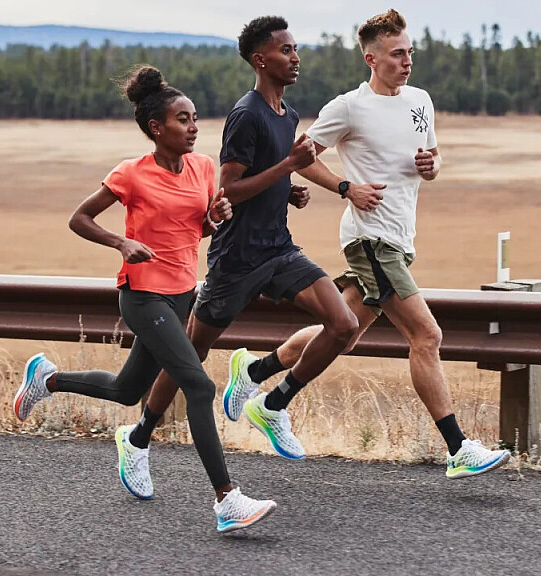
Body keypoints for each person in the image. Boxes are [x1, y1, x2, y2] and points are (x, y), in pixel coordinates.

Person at [224, 9, 511, 479]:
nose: (407, 61)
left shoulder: (420, 100)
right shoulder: (349, 107)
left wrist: (432, 167)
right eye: (397, 54)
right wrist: (345, 187)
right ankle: (458, 448)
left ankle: (255, 375)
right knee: (427, 336)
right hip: (370, 239)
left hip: (399, 237)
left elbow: (433, 157)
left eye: (410, 52)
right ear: (371, 59)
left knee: (346, 330)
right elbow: (300, 157)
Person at [11, 66, 276, 533]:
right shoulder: (132, 173)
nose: (193, 127)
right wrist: (121, 243)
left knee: (127, 390)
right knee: (199, 386)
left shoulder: (203, 167)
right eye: (182, 120)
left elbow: (195, 228)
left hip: (181, 294)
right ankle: (226, 499)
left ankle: (47, 379)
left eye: (194, 119)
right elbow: (79, 218)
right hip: (142, 295)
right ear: (157, 128)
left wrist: (216, 217)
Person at [122, 16, 357, 470]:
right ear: (260, 60)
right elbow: (229, 188)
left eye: (295, 48)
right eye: (286, 50)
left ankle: (271, 401)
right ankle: (139, 437)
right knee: (191, 353)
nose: (296, 57)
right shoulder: (246, 114)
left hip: (279, 249)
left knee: (344, 325)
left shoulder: (288, 115)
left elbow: (263, 175)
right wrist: (287, 168)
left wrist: (286, 190)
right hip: (237, 259)